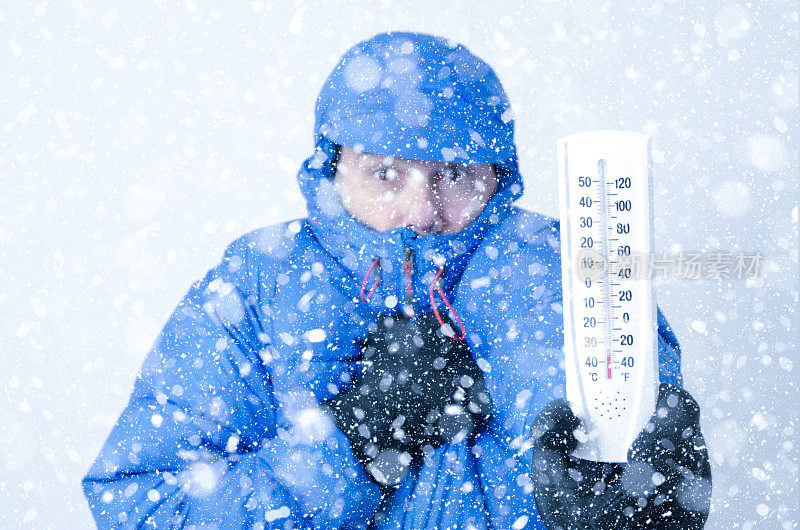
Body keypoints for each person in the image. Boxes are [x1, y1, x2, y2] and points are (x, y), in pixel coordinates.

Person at [82, 31, 710, 528]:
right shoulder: (258, 287)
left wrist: (639, 504)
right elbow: (144, 507)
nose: (421, 212)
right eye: (386, 174)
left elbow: (642, 476)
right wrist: (355, 434)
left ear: (500, 176)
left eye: (457, 174)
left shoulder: (573, 275)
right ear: (332, 171)